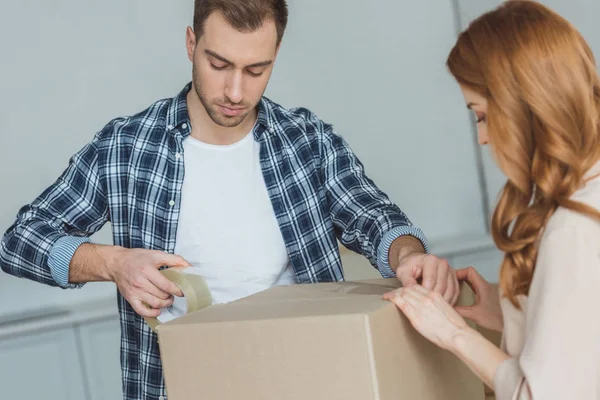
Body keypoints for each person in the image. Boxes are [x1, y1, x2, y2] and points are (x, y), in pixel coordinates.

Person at [0, 0, 458, 399]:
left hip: (308, 379)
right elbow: (19, 241)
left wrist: (408, 254)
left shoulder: (306, 140)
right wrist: (112, 263)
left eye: (256, 70)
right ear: (190, 44)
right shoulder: (127, 146)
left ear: (275, 56)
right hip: (173, 387)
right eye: (219, 65)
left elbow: (374, 216)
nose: (236, 92)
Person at [384, 1, 600, 399]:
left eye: (481, 115)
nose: (482, 137)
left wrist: (454, 334)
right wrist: (513, 315)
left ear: (523, 104)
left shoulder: (574, 226)